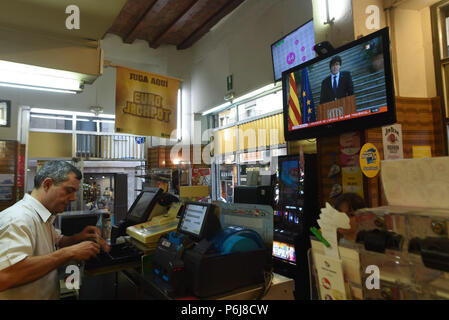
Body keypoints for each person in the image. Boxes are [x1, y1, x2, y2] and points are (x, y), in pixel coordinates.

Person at [0, 160, 110, 299]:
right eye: (69, 191)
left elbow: (58, 241)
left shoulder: (43, 216)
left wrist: (78, 237)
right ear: (47, 184)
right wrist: (68, 253)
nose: (73, 198)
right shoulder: (17, 219)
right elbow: (5, 276)